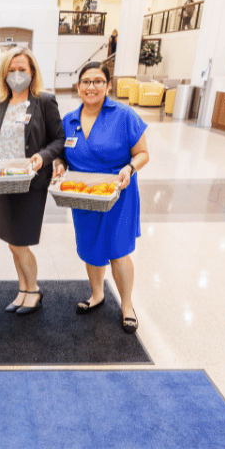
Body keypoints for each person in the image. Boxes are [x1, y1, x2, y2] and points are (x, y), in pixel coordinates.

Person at [53, 62, 149, 333]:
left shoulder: (124, 115)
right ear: (78, 86)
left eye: (97, 81)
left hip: (117, 192)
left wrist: (129, 167)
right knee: (91, 249)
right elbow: (62, 153)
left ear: (108, 85)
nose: (91, 87)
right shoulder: (69, 119)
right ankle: (97, 294)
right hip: (83, 194)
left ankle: (127, 305)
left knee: (118, 251)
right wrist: (59, 165)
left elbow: (143, 153)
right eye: (85, 81)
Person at [0, 47, 64, 315]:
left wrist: (43, 157)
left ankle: (33, 290)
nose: (17, 74)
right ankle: (22, 289)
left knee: (21, 241)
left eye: (23, 69)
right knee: (12, 241)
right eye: (12, 70)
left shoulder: (44, 101)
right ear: (4, 73)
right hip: (4, 181)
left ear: (32, 73)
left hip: (31, 183)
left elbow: (59, 139)